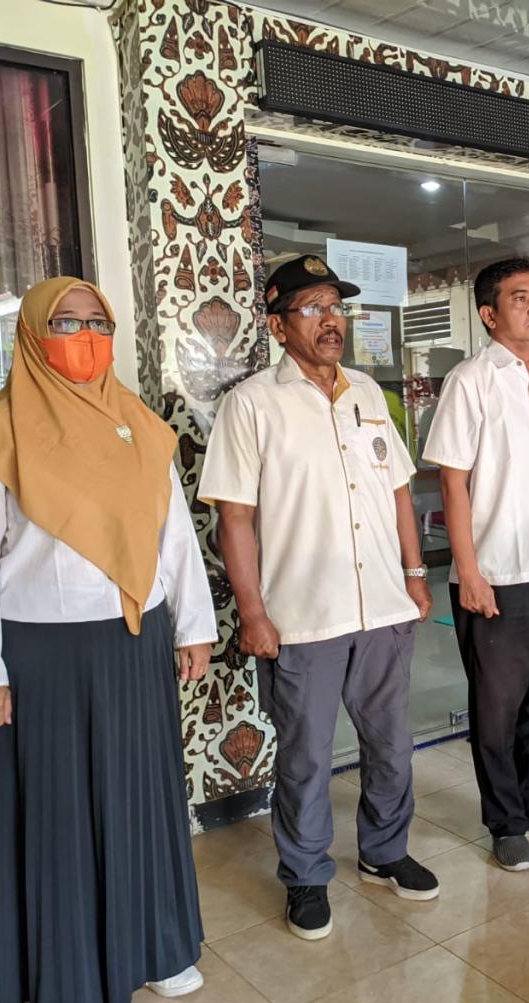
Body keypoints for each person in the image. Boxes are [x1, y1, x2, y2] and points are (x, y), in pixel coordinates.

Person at [0, 277, 217, 1003]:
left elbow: (173, 537)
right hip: (43, 656)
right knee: (63, 814)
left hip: (134, 642)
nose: (85, 337)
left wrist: (192, 624)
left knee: (144, 797)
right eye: (66, 323)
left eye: (98, 323)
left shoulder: (139, 425)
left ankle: (158, 947)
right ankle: (75, 973)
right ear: (34, 334)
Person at [200, 255, 439, 945]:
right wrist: (253, 613)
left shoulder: (368, 393)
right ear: (279, 325)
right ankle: (305, 876)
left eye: (337, 307)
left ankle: (384, 851)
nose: (331, 320)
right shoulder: (252, 404)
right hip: (304, 616)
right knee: (305, 757)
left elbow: (398, 491)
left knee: (392, 745)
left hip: (384, 607)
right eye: (313, 308)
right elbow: (235, 518)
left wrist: (415, 574)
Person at [423, 256, 529, 872]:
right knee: (498, 708)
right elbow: (452, 482)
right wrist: (468, 571)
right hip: (496, 574)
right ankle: (505, 821)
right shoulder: (470, 381)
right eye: (520, 297)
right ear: (489, 314)